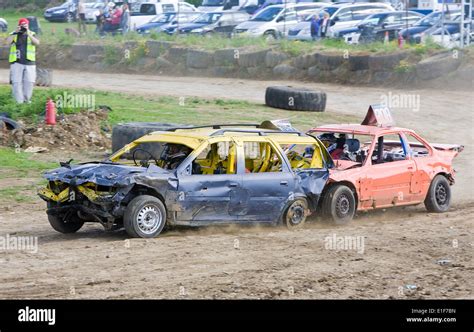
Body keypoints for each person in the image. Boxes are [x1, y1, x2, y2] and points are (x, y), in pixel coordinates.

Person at [6, 18, 40, 104]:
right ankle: (19, 102)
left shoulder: (32, 33)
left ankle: (27, 101)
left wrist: (28, 33)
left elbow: (37, 43)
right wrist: (15, 32)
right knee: (16, 83)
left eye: (25, 25)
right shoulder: (14, 34)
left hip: (30, 63)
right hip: (17, 62)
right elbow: (7, 42)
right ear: (19, 25)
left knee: (29, 82)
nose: (23, 27)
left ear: (28, 25)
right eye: (22, 25)